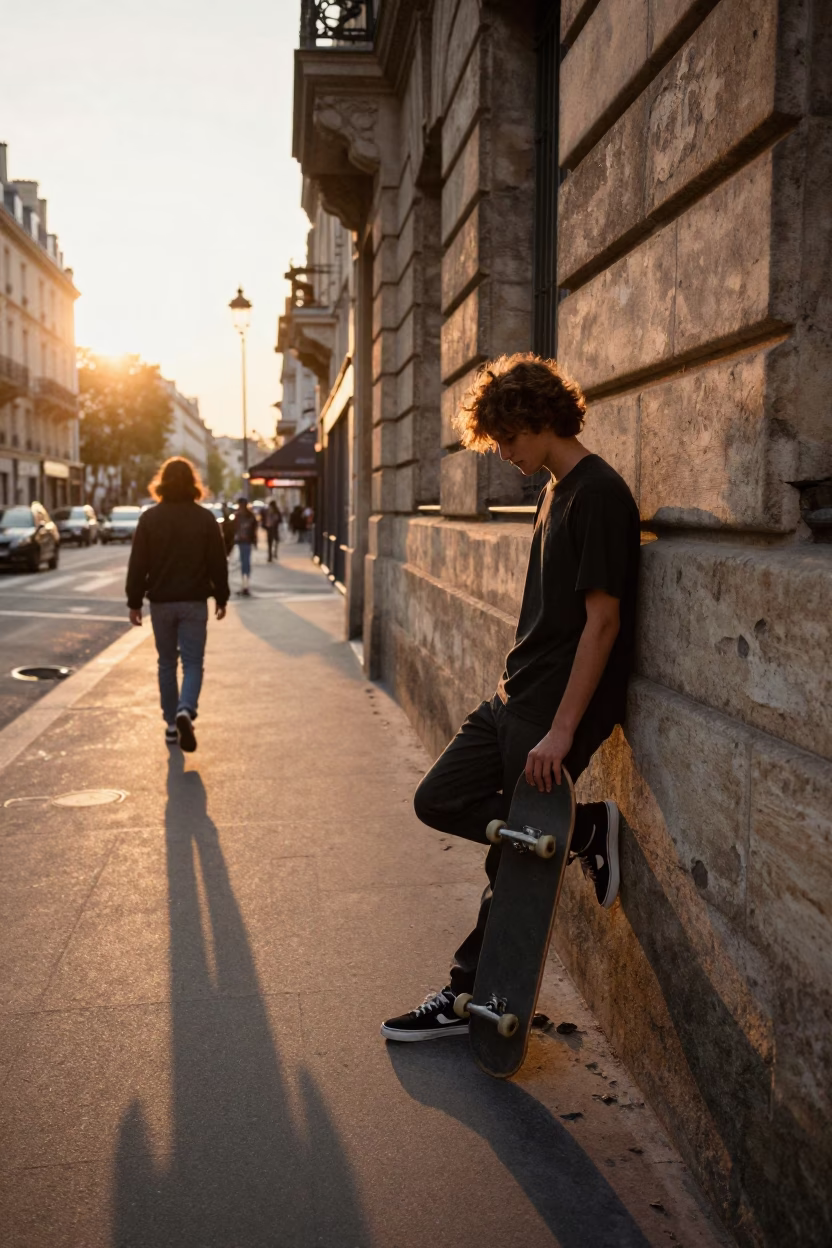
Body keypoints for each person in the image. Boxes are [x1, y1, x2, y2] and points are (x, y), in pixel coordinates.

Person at [380, 354, 641, 1041]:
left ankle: (467, 997)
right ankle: (583, 829)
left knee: (514, 860)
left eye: (506, 438)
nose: (503, 453)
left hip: (547, 710)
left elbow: (603, 622)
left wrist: (561, 732)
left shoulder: (601, 494)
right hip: (510, 695)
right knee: (436, 797)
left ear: (536, 418)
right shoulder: (556, 491)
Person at [125, 457, 229, 753]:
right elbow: (217, 563)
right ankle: (186, 709)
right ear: (193, 483)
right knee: (193, 663)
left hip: (161, 603)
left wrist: (134, 602)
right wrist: (221, 596)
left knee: (166, 663)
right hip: (194, 602)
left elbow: (138, 564)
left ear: (163, 483)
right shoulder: (205, 519)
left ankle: (171, 725)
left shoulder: (149, 518)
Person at [234, 496, 259, 595]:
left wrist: (254, 540)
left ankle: (246, 584)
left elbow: (254, 529)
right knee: (243, 562)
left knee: (245, 562)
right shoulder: (238, 516)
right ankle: (244, 583)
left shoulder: (249, 517)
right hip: (241, 541)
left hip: (246, 541)